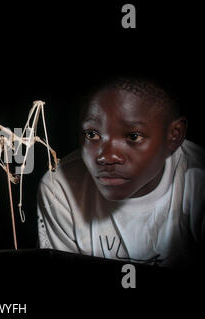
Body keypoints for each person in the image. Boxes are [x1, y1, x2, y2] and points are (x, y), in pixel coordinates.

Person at [37, 77, 204, 267]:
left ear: (174, 136)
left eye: (133, 136)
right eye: (92, 134)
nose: (107, 157)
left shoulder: (197, 178)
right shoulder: (60, 186)